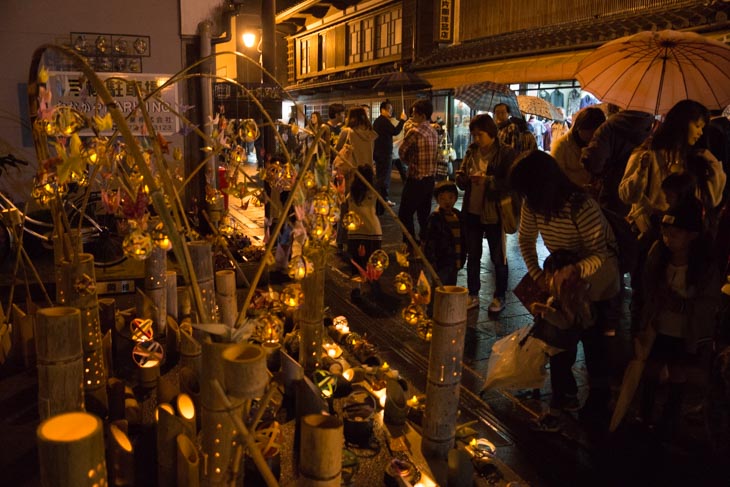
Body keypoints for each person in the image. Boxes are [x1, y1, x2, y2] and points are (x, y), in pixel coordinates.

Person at [511, 150, 621, 422]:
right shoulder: (533, 204)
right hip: (563, 279)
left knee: (594, 342)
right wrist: (539, 276)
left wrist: (576, 270)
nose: (525, 197)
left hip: (597, 282)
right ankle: (564, 398)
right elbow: (525, 240)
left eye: (527, 189)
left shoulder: (581, 205)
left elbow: (600, 253)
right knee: (558, 341)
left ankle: (599, 401)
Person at [619, 100, 726, 332]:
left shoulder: (697, 160)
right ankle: (642, 341)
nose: (700, 132)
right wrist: (641, 171)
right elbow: (626, 195)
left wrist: (710, 163)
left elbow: (713, 199)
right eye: (697, 125)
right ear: (681, 123)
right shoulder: (647, 154)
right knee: (646, 294)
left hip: (686, 241)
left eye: (703, 127)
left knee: (682, 294)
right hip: (652, 234)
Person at [635, 198, 723, 440]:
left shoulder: (704, 265)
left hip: (685, 331)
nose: (667, 239)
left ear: (692, 235)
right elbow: (646, 283)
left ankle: (669, 419)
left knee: (678, 372)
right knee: (651, 368)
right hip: (658, 326)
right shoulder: (658, 253)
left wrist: (681, 305)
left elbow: (708, 302)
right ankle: (644, 414)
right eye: (665, 233)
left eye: (674, 234)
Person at [454, 114, 517, 312]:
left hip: (494, 212)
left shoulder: (505, 153)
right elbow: (462, 175)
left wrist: (488, 181)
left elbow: (511, 182)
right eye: (473, 135)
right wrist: (462, 178)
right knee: (473, 255)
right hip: (471, 209)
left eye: (479, 134)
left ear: (491, 133)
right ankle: (473, 294)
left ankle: (499, 297)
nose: (476, 139)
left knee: (498, 257)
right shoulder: (472, 150)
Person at [530, 249, 595, 432]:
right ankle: (571, 397)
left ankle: (554, 416)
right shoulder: (571, 287)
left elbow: (565, 322)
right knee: (564, 371)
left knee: (558, 379)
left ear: (557, 272)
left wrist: (545, 311)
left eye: (548, 274)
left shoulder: (566, 291)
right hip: (567, 344)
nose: (546, 278)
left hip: (561, 344)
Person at [581, 106, 655, 216]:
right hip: (641, 196)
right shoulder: (650, 126)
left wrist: (585, 154)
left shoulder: (610, 127)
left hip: (611, 193)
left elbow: (595, 163)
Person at [335, 107, 378, 251]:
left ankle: (343, 240)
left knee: (347, 208)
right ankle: (363, 237)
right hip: (367, 174)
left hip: (352, 174)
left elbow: (337, 150)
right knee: (364, 207)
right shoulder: (370, 133)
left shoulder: (347, 132)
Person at [398, 99, 439, 250]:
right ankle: (425, 243)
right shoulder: (433, 131)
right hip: (430, 180)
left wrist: (410, 161)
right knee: (424, 215)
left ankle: (410, 243)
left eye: (414, 113)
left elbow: (402, 152)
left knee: (404, 214)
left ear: (422, 115)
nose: (412, 116)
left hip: (415, 180)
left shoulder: (414, 132)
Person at [423, 180, 466, 287]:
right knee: (440, 287)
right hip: (441, 262)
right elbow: (430, 241)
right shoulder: (435, 218)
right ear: (437, 200)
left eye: (450, 197)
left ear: (456, 198)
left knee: (451, 286)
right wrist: (432, 260)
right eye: (442, 198)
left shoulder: (458, 216)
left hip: (455, 260)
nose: (447, 201)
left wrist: (463, 256)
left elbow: (463, 238)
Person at [551, 106, 606, 188]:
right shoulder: (561, 146)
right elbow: (555, 178)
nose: (592, 136)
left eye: (596, 133)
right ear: (580, 128)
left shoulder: (597, 144)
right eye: (590, 132)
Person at [347, 164, 382, 275]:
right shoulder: (374, 193)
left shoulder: (351, 194)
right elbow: (380, 211)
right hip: (373, 231)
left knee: (357, 269)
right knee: (373, 269)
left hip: (354, 231)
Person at [373, 100, 407, 207]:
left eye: (391, 109)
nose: (390, 111)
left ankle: (379, 198)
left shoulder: (378, 121)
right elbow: (395, 131)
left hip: (379, 153)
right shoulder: (383, 121)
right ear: (382, 110)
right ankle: (383, 199)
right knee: (385, 177)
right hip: (385, 153)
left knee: (381, 176)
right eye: (388, 109)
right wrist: (402, 120)